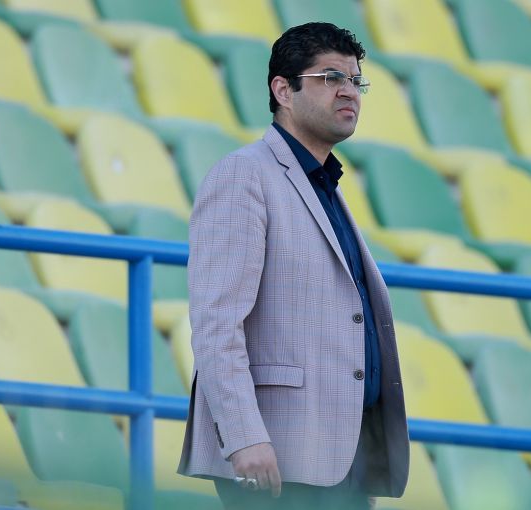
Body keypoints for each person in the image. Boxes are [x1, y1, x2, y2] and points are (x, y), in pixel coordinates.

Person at [178, 22, 409, 510]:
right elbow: (217, 323)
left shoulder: (325, 186)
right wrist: (243, 437)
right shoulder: (244, 175)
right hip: (276, 455)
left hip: (341, 457)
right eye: (331, 77)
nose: (349, 91)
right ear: (283, 90)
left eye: (356, 80)